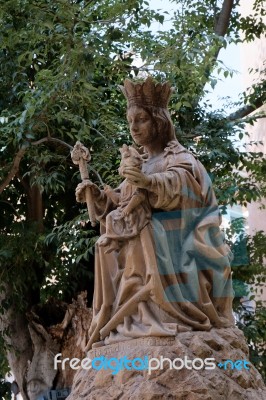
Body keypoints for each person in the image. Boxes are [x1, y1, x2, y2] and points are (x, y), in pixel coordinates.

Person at [75, 76, 234, 350]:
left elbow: (180, 187)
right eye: (130, 122)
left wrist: (147, 183)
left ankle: (158, 310)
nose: (134, 127)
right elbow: (122, 201)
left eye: (141, 119)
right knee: (107, 242)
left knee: (144, 230)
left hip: (181, 242)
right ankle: (131, 316)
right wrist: (97, 197)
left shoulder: (180, 159)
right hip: (150, 239)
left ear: (158, 121)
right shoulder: (144, 162)